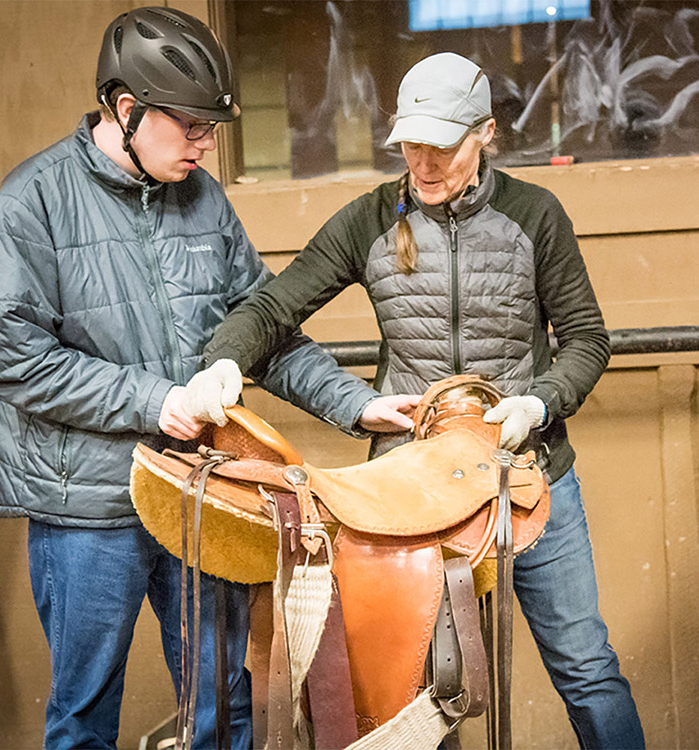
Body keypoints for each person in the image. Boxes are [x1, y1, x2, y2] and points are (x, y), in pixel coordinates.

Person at [0, 7, 417, 749]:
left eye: (211, 129)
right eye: (191, 127)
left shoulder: (203, 201)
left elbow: (260, 328)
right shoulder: (29, 207)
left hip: (200, 493)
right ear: (126, 109)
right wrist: (160, 399)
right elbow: (20, 360)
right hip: (87, 510)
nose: (207, 148)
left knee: (226, 706)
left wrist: (358, 405)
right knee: (84, 718)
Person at [184, 52, 646, 749]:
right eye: (410, 146)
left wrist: (539, 403)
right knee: (421, 683)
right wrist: (225, 359)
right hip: (412, 484)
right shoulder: (371, 219)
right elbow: (272, 307)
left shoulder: (534, 215)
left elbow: (586, 339)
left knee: (585, 665)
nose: (424, 164)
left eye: (443, 147)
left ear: (486, 133)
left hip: (525, 472)